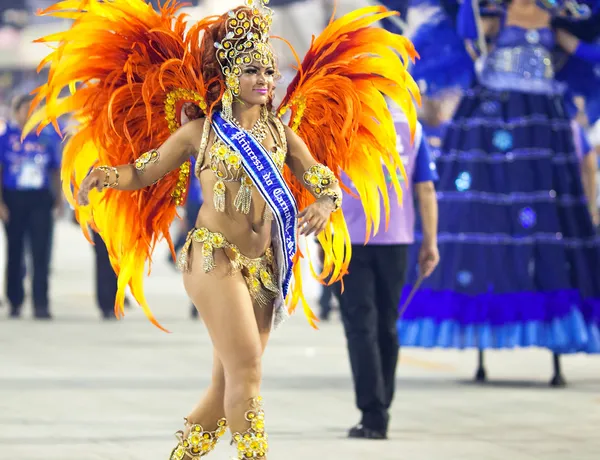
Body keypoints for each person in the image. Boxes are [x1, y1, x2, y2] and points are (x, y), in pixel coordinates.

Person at [25, 0, 420, 457]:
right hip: (212, 257)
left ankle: (183, 455)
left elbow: (322, 178)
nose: (265, 80)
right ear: (231, 74)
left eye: (269, 72)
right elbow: (143, 171)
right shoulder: (202, 132)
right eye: (253, 70)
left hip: (265, 267)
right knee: (248, 368)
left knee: (228, 380)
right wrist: (106, 175)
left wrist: (326, 205)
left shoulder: (281, 133)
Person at [398, 0, 600, 386]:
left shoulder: (557, 14)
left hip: (541, 125)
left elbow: (588, 51)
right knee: (483, 218)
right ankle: (483, 334)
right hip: (492, 119)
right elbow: (466, 39)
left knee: (546, 220)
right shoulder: (491, 13)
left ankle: (552, 337)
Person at [339, 103, 439, 440]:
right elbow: (425, 188)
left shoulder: (343, 114)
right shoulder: (412, 125)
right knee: (386, 322)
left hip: (350, 236)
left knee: (359, 324)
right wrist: (431, 242)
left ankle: (373, 411)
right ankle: (382, 404)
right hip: (397, 237)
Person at [0, 94, 61, 319]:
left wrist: (59, 199)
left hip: (40, 200)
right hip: (13, 200)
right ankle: (14, 301)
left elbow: (55, 169)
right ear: (16, 112)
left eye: (33, 109)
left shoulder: (45, 137)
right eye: (25, 109)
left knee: (41, 253)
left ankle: (41, 303)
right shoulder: (5, 138)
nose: (29, 113)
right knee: (14, 252)